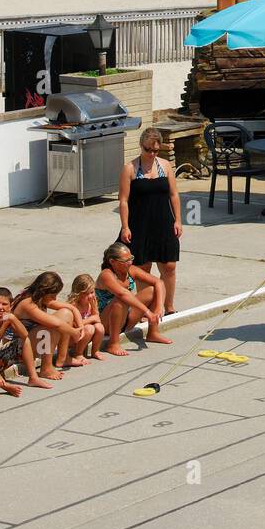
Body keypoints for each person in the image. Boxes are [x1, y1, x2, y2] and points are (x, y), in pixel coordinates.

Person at [117, 127, 181, 316]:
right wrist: (125, 226)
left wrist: (178, 220)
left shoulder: (165, 166)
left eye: (155, 150)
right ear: (141, 146)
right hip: (139, 223)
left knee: (169, 265)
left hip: (163, 221)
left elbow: (174, 194)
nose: (151, 154)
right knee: (143, 267)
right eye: (148, 150)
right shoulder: (130, 168)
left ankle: (168, 306)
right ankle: (146, 308)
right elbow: (123, 200)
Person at [11, 272, 94, 380]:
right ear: (43, 292)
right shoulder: (28, 303)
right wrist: (74, 332)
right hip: (19, 348)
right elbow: (56, 324)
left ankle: (63, 358)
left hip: (33, 342)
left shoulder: (40, 298)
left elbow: (71, 308)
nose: (54, 298)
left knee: (66, 313)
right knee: (50, 329)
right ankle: (46, 369)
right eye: (53, 295)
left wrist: (80, 327)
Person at [95, 241, 171, 356]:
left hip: (126, 318)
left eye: (131, 258)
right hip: (107, 323)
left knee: (152, 290)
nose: (130, 263)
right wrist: (147, 312)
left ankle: (153, 332)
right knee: (120, 299)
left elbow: (158, 282)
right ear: (112, 262)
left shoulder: (131, 270)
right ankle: (113, 343)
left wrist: (159, 307)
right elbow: (123, 294)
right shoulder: (106, 275)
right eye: (126, 261)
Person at [0, 286, 47, 392]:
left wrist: (13, 318)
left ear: (10, 305)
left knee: (24, 341)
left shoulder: (8, 318)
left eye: (4, 304)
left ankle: (33, 378)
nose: (0, 307)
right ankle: (0, 381)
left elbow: (25, 335)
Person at [68, 273, 108, 360]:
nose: (90, 296)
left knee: (99, 327)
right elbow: (75, 325)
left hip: (85, 335)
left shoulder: (92, 302)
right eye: (86, 294)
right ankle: (78, 354)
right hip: (72, 337)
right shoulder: (74, 306)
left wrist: (94, 308)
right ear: (78, 294)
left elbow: (98, 320)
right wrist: (92, 318)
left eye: (92, 292)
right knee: (90, 328)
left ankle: (95, 351)